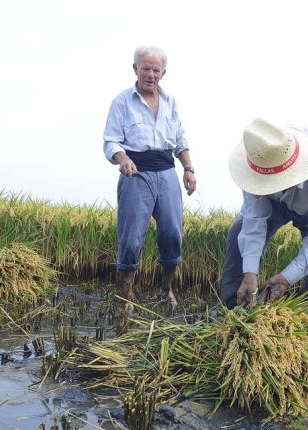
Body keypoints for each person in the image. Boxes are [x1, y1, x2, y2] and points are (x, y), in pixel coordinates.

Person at [102, 46, 197, 312]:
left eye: (156, 70)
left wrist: (189, 169)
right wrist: (123, 160)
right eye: (145, 68)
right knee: (131, 237)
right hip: (136, 174)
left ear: (163, 73)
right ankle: (127, 293)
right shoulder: (122, 102)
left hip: (167, 173)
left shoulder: (171, 103)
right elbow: (111, 141)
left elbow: (180, 140)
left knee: (172, 234)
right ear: (135, 69)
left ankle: (166, 288)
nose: (151, 74)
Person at [220, 118, 308, 316]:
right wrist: (249, 272)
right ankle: (232, 313)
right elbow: (254, 221)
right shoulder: (257, 157)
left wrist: (286, 278)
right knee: (237, 236)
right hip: (272, 204)